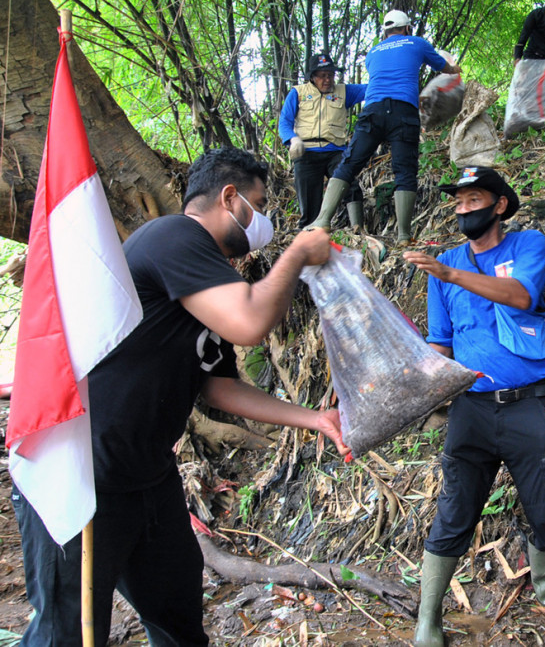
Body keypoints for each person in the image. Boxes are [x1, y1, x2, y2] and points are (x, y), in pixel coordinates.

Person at [13, 147, 349, 646]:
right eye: (259, 203)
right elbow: (251, 322)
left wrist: (315, 418)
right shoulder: (175, 235)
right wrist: (297, 253)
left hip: (148, 478)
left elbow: (218, 387)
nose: (264, 220)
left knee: (179, 621)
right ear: (229, 198)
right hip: (83, 473)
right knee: (65, 633)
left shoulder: (206, 278)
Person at [403, 166, 545, 647]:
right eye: (458, 202)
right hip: (472, 410)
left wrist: (449, 273)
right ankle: (428, 620)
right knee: (454, 513)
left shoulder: (527, 246)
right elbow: (439, 346)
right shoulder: (443, 265)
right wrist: (397, 373)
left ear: (499, 205)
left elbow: (522, 297)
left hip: (530, 404)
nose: (464, 209)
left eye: (474, 199)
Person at [311, 10, 461, 245]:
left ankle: (322, 220)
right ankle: (402, 236)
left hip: (373, 112)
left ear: (386, 32)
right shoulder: (417, 43)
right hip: (403, 112)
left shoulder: (373, 52)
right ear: (407, 28)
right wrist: (455, 70)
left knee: (350, 163)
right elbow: (443, 67)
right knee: (405, 170)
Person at [278, 52, 366, 228]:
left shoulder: (344, 91)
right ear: (312, 77)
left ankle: (358, 230)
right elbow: (284, 122)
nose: (327, 80)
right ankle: (311, 238)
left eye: (330, 75)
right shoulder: (298, 93)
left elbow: (374, 88)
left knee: (350, 186)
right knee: (310, 202)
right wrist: (293, 139)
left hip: (336, 151)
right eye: (322, 76)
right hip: (307, 152)